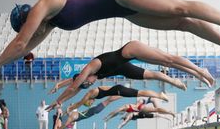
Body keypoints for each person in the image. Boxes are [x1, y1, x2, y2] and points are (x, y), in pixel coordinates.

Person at [0, 0, 220, 88]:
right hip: (124, 11)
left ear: (29, 17)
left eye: (32, 25)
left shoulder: (46, 4)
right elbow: (25, 45)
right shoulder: (52, 22)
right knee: (181, 23)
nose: (36, 31)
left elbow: (20, 42)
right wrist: (2, 64)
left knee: (180, 8)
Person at [47, 40, 211, 109]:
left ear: (84, 76)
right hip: (123, 67)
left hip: (130, 50)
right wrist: (58, 86)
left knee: (167, 60)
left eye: (88, 82)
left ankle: (199, 70)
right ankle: (179, 80)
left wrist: (58, 101)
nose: (91, 83)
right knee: (155, 74)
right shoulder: (90, 76)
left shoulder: (91, 66)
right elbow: (74, 85)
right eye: (89, 85)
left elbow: (74, 86)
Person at [65, 84, 169, 115]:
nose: (93, 102)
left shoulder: (90, 93)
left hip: (119, 89)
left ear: (89, 100)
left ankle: (158, 95)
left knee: (139, 92)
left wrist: (69, 109)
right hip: (118, 91)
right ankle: (157, 96)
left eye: (90, 102)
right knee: (137, 93)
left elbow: (79, 103)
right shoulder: (95, 95)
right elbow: (110, 98)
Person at [51, 96, 122, 129]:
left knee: (108, 100)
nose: (72, 124)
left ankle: (121, 95)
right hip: (93, 110)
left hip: (94, 110)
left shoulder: (72, 117)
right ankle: (121, 95)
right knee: (108, 100)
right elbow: (67, 113)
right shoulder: (74, 114)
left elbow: (62, 127)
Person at [104, 98, 175, 122]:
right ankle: (152, 100)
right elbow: (116, 114)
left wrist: (108, 117)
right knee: (157, 110)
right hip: (139, 107)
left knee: (157, 110)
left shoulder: (124, 107)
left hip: (140, 108)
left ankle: (169, 112)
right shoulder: (126, 110)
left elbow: (114, 112)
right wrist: (109, 118)